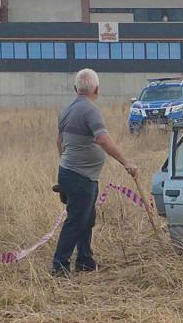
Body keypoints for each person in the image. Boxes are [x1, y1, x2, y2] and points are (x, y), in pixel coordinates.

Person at [52, 69, 139, 277]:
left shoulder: (66, 111)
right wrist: (127, 163)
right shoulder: (91, 111)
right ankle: (59, 265)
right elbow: (103, 139)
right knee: (76, 220)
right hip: (80, 177)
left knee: (86, 217)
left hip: (73, 173)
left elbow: (59, 142)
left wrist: (66, 165)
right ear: (97, 89)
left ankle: (85, 260)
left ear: (76, 89)